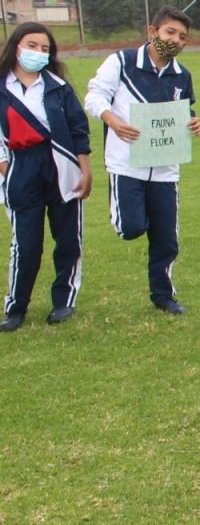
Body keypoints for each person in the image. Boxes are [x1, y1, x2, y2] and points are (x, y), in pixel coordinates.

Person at [86, 6, 200, 315]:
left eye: (182, 37)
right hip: (126, 164)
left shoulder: (182, 74)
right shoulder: (122, 62)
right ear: (152, 31)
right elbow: (94, 97)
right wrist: (112, 120)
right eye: (169, 32)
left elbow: (185, 112)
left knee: (167, 239)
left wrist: (193, 122)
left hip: (166, 168)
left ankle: (163, 296)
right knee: (132, 227)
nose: (175, 40)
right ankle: (128, 215)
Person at [0, 23, 92, 331]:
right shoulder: (2, 87)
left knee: (68, 239)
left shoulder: (58, 87)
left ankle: (64, 300)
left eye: (45, 48)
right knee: (26, 244)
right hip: (21, 168)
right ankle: (16, 307)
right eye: (32, 45)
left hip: (62, 166)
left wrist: (85, 169)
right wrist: (6, 168)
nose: (38, 52)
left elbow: (78, 129)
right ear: (16, 46)